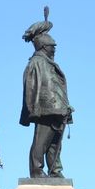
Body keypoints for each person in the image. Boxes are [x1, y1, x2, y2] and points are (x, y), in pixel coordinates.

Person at [20, 10, 73, 178]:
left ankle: (55, 170)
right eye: (52, 46)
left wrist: (65, 106)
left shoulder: (48, 63)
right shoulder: (36, 63)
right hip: (45, 110)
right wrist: (33, 110)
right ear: (43, 46)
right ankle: (36, 170)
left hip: (57, 110)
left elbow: (56, 88)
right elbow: (30, 87)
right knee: (41, 141)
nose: (54, 49)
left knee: (55, 143)